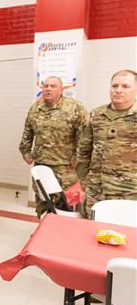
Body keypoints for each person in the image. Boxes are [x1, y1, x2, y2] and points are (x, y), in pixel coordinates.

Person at [19, 76, 87, 217]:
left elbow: (85, 136)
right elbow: (28, 131)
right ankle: (44, 233)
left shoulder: (75, 107)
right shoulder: (35, 108)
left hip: (65, 168)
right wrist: (25, 151)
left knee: (65, 205)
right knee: (43, 203)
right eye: (46, 86)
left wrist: (78, 158)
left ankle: (63, 236)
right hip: (41, 165)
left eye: (53, 86)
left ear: (61, 89)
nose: (48, 88)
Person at [77, 69, 137, 218]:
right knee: (91, 233)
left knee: (126, 237)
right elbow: (84, 150)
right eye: (114, 86)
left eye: (125, 86)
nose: (118, 90)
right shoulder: (96, 115)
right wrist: (85, 180)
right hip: (96, 191)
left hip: (130, 193)